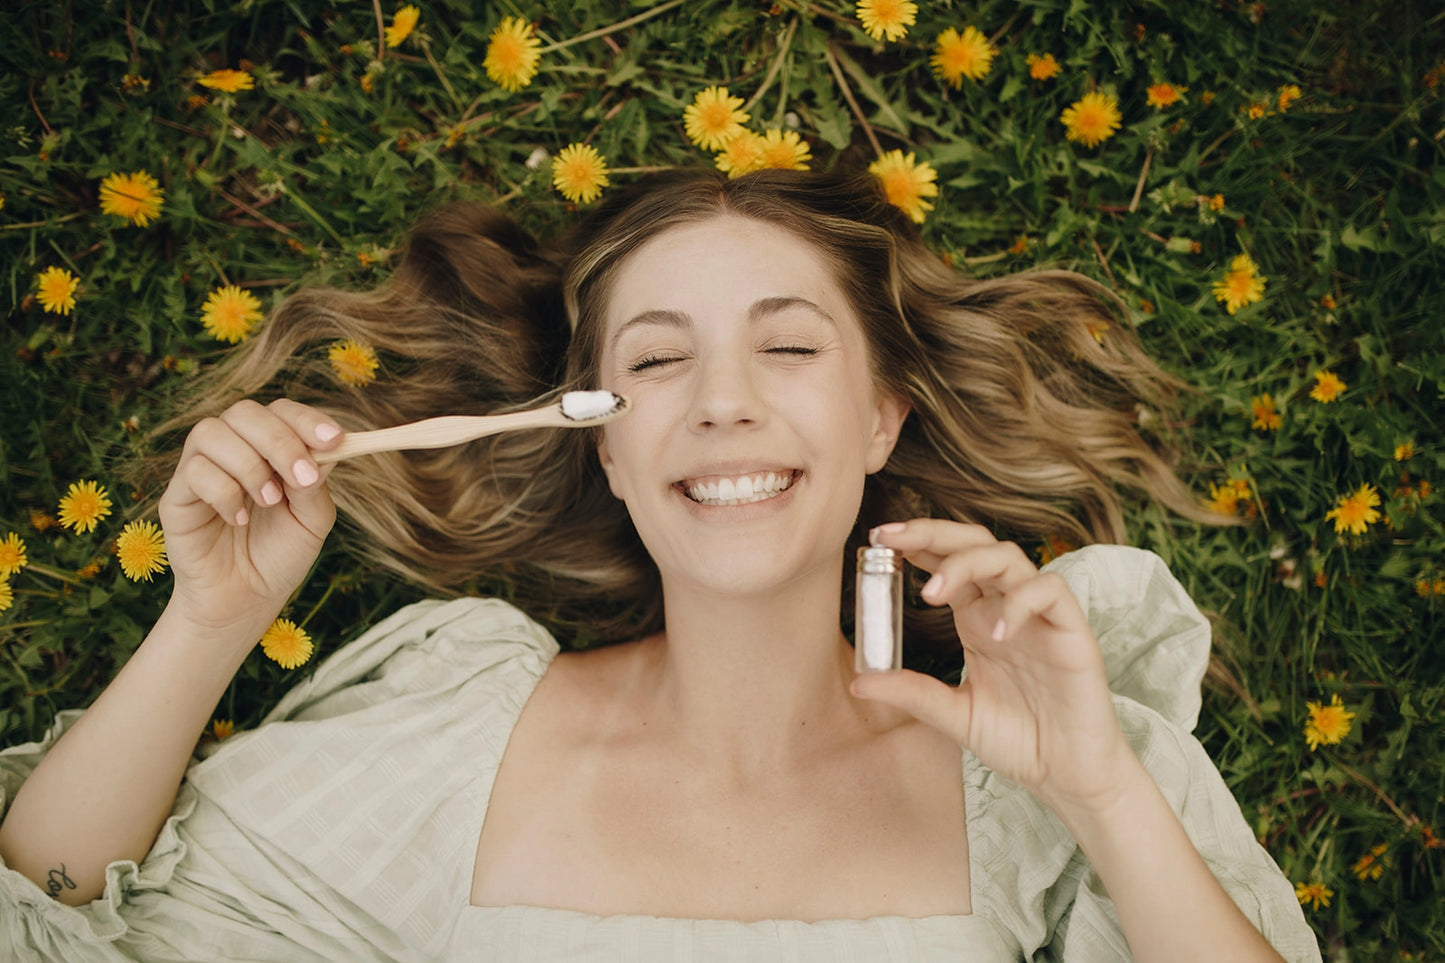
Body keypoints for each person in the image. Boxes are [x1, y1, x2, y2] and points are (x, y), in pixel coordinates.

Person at [0, 169, 1320, 961]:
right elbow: (47, 908)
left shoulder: (1036, 768)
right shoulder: (459, 747)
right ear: (608, 447)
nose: (722, 402)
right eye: (656, 358)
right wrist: (211, 620)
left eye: (787, 347)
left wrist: (1097, 785)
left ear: (881, 418)